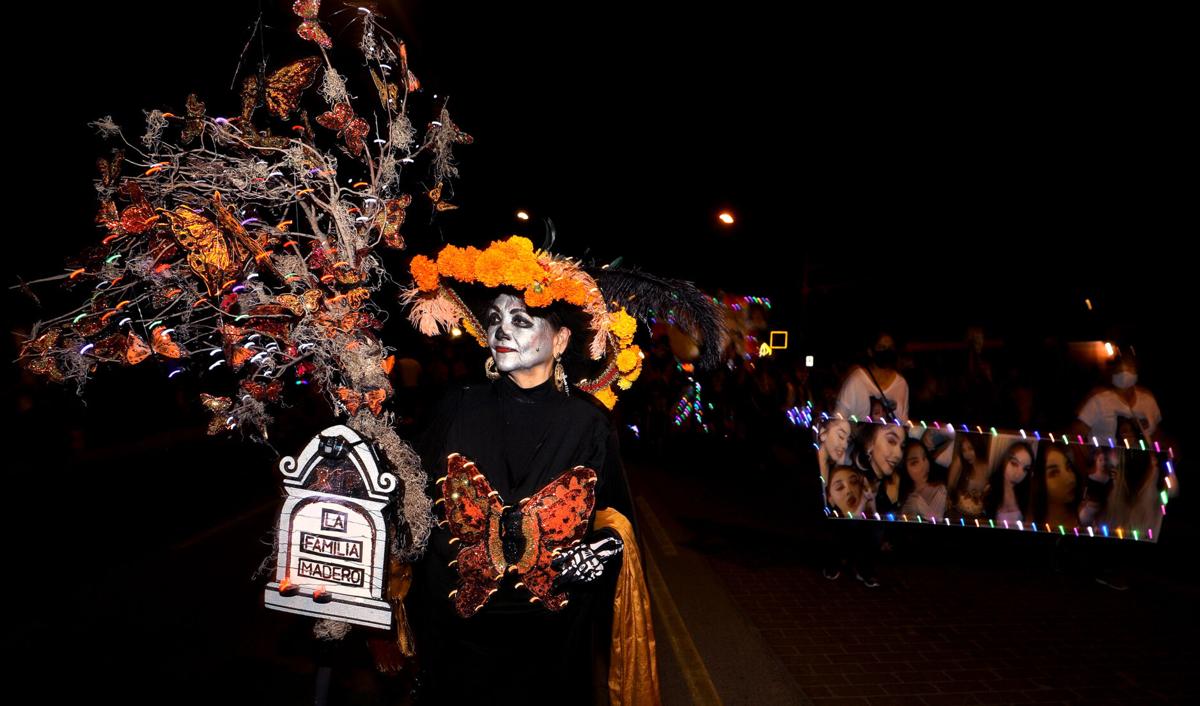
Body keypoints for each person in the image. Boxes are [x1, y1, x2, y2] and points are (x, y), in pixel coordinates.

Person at [401, 236, 722, 703]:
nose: (501, 332)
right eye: (493, 321)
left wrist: (599, 550)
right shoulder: (457, 406)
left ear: (562, 339)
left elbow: (617, 519)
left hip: (548, 641)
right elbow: (411, 491)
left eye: (520, 320)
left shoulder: (587, 423)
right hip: (460, 637)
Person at [835, 332, 909, 422]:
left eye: (891, 348)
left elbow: (903, 421)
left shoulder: (901, 384)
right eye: (881, 347)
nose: (887, 351)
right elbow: (838, 418)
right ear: (870, 352)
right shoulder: (856, 380)